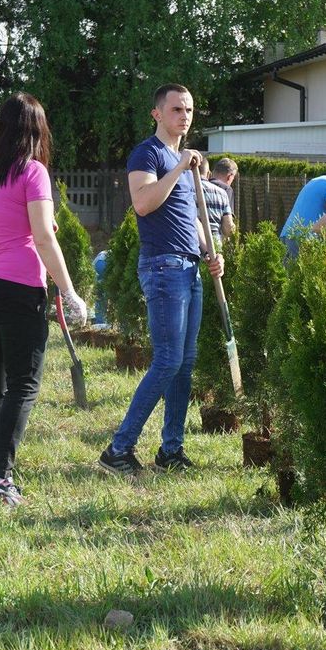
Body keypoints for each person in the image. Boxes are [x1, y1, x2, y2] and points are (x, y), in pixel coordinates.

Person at [0, 92, 87, 506]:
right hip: (18, 287)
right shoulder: (33, 172)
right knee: (23, 386)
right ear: (37, 131)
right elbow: (45, 237)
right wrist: (69, 292)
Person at [99, 83, 224, 477]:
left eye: (188, 110)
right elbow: (143, 202)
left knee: (184, 364)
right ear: (157, 113)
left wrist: (210, 250)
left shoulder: (182, 163)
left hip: (189, 267)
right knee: (168, 359)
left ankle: (171, 449)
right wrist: (179, 166)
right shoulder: (148, 154)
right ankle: (118, 449)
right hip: (163, 266)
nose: (184, 116)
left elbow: (191, 218)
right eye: (176, 109)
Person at [198, 155, 234, 245]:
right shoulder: (222, 193)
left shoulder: (184, 190)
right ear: (208, 173)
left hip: (191, 244)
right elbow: (228, 228)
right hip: (214, 246)